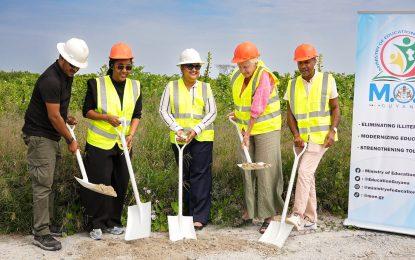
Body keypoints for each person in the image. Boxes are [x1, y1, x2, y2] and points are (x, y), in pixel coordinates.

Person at [22, 37, 89, 251]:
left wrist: (65, 116)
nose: (74, 69)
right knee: (42, 185)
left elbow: (56, 111)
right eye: (72, 65)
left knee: (48, 182)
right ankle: (41, 233)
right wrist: (70, 139)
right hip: (40, 136)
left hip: (50, 136)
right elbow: (52, 117)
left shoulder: (66, 75)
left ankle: (47, 225)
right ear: (61, 57)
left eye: (78, 67)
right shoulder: (51, 79)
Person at [82, 42, 142, 240]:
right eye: (120, 66)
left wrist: (131, 134)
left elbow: (136, 115)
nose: (124, 71)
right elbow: (87, 111)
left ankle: (113, 222)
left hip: (123, 144)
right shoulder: (96, 84)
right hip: (99, 143)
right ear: (111, 65)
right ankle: (96, 223)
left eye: (128, 67)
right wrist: (107, 118)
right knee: (101, 183)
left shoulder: (135, 86)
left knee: (120, 181)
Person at [229, 42, 284, 234]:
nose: (243, 69)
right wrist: (236, 115)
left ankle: (269, 215)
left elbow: (258, 107)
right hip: (247, 129)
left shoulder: (264, 76)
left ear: (256, 60)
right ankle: (250, 211)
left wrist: (247, 134)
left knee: (264, 169)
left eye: (246, 65)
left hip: (266, 129)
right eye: (240, 65)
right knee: (247, 167)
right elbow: (243, 102)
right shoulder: (237, 77)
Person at [159, 48, 217, 230]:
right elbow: (163, 110)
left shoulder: (206, 88)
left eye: (197, 66)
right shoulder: (171, 86)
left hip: (202, 137)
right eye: (190, 66)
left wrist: (197, 129)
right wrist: (177, 129)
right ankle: (186, 214)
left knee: (200, 176)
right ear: (182, 68)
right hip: (179, 139)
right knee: (184, 176)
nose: (194, 70)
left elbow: (212, 112)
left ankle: (199, 217)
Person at [284, 44, 340, 230]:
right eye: (300, 63)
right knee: (308, 177)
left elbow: (335, 108)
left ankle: (298, 214)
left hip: (320, 137)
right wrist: (296, 135)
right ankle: (311, 219)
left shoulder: (327, 80)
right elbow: (290, 113)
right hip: (302, 139)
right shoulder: (292, 84)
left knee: (304, 173)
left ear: (315, 60)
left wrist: (333, 131)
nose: (303, 66)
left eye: (307, 62)